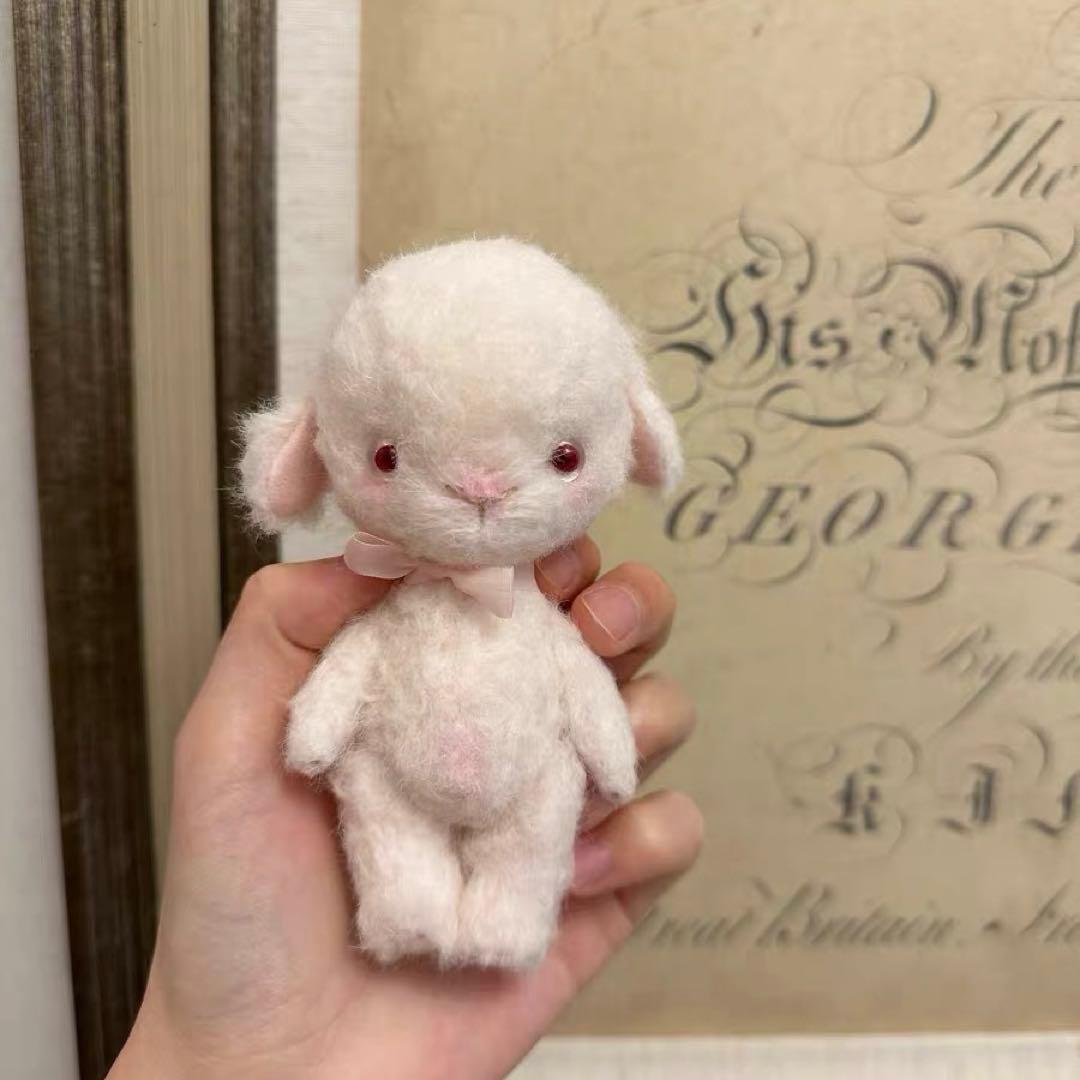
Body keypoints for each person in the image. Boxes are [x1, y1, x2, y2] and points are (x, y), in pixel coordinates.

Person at [109, 539, 702, 1079]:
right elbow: (355, 659)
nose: (479, 490)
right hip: (397, 783)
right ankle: (407, 904)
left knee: (550, 799)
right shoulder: (386, 611)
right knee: (372, 789)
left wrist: (611, 753)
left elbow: (582, 680)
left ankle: (509, 916)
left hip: (527, 783)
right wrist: (315, 731)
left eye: (561, 465)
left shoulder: (541, 625)